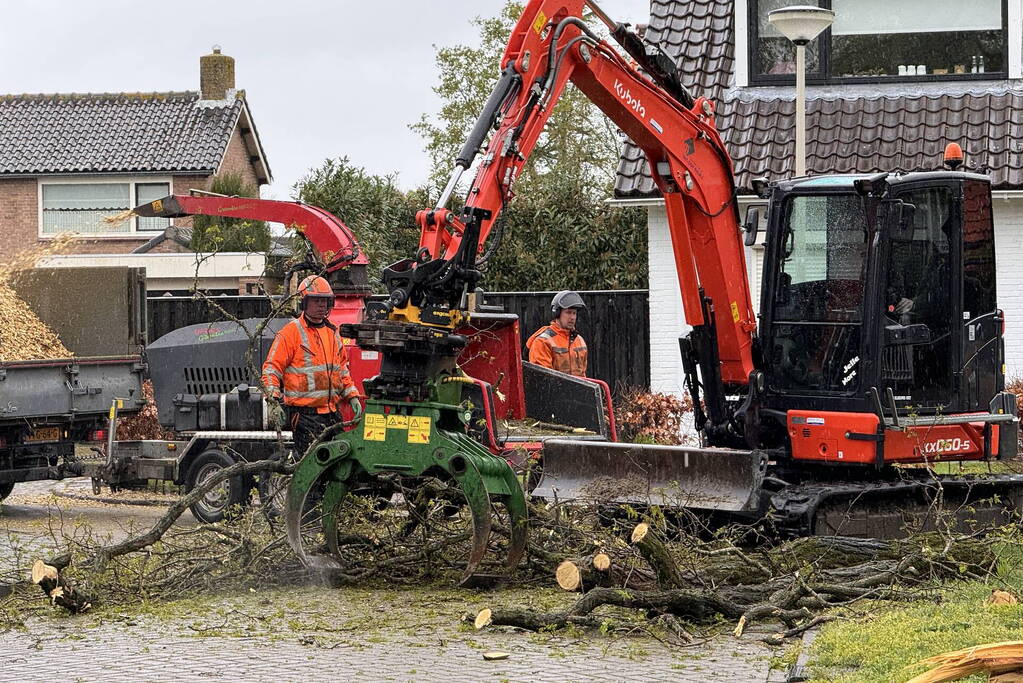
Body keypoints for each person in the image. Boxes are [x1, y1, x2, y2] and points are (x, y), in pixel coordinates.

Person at [262, 275, 363, 457]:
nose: (321, 305)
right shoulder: (290, 333)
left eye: (325, 301)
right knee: (312, 465)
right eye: (316, 301)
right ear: (304, 302)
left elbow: (342, 370)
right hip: (305, 415)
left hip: (332, 413)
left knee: (340, 461)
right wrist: (273, 400)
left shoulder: (333, 333)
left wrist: (352, 395)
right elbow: (271, 369)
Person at [525, 290, 588, 377]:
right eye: (568, 312)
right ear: (557, 313)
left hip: (577, 390)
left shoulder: (579, 340)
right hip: (553, 390)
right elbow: (542, 379)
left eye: (574, 313)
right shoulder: (543, 342)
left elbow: (583, 375)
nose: (572, 317)